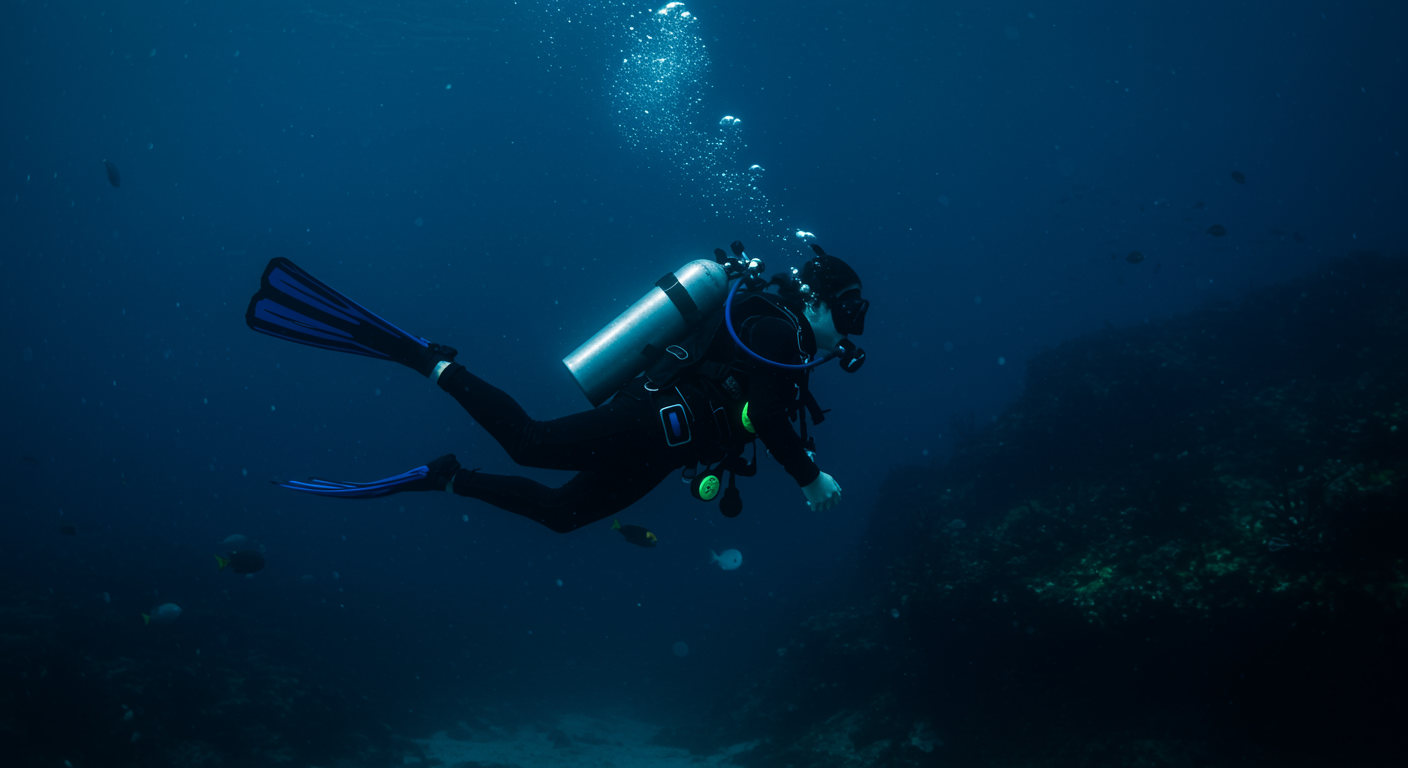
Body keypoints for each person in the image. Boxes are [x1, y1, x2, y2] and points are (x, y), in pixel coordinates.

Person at [245, 243, 868, 533]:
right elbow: (762, 410)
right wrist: (808, 477)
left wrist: (800, 462)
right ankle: (424, 358)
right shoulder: (781, 332)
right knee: (530, 442)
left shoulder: (780, 337)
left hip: (671, 444)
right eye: (850, 313)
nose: (850, 331)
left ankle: (448, 476)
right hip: (661, 418)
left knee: (561, 514)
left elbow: (760, 413)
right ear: (817, 300)